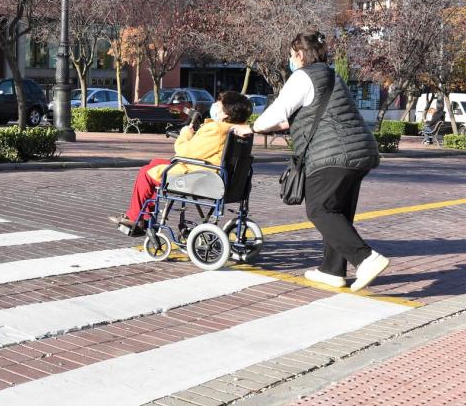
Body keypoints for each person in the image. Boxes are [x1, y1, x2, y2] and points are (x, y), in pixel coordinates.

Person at [230, 30, 387, 292]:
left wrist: (252, 128)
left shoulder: (303, 76)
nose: (292, 60)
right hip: (360, 152)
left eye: (292, 55)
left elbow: (277, 112)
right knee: (338, 212)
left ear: (300, 54)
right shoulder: (330, 75)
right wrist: (272, 126)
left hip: (333, 154)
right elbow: (298, 116)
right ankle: (332, 270)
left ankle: (366, 259)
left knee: (320, 210)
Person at [110, 91, 253, 235]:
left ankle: (135, 218)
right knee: (156, 163)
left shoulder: (216, 129)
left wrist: (186, 133)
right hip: (219, 175)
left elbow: (184, 152)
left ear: (226, 113)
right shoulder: (239, 130)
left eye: (219, 103)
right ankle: (144, 215)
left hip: (202, 176)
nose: (215, 104)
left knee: (146, 173)